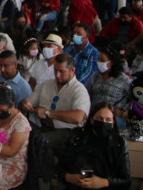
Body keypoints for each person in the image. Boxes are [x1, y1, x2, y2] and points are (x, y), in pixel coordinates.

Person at [21, 53, 91, 189]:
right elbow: (29, 101)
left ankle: (51, 176)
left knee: (40, 139)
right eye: (55, 70)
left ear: (72, 70)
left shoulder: (79, 90)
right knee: (24, 129)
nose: (57, 75)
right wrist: (24, 104)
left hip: (68, 131)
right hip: (45, 128)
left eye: (62, 72)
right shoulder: (46, 85)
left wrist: (49, 113)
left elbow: (78, 117)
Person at [58, 102, 131, 190]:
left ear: (113, 122)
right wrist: (68, 177)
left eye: (108, 120)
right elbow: (59, 169)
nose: (103, 123)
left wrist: (105, 182)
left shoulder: (119, 143)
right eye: (99, 119)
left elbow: (126, 181)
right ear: (92, 120)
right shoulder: (76, 136)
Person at [85, 47, 131, 129]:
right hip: (95, 115)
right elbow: (86, 93)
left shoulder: (123, 79)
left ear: (111, 63)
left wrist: (123, 110)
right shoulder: (95, 76)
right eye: (98, 60)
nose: (99, 62)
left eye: (102, 60)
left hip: (113, 117)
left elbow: (133, 98)